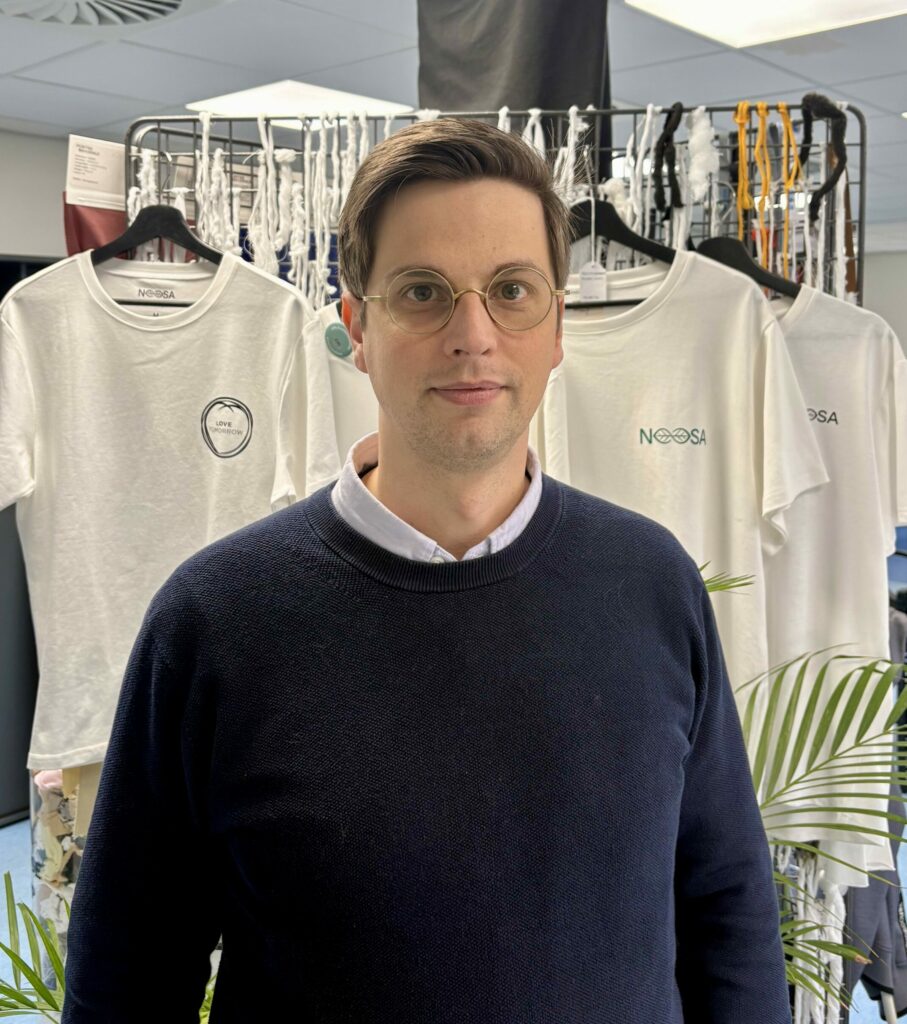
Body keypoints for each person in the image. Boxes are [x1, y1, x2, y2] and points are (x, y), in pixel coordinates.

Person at [62, 119, 791, 1023]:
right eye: (422, 292)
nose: (472, 334)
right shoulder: (216, 619)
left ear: (555, 327)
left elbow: (726, 910)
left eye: (511, 290)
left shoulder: (651, 582)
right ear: (357, 329)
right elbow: (128, 971)